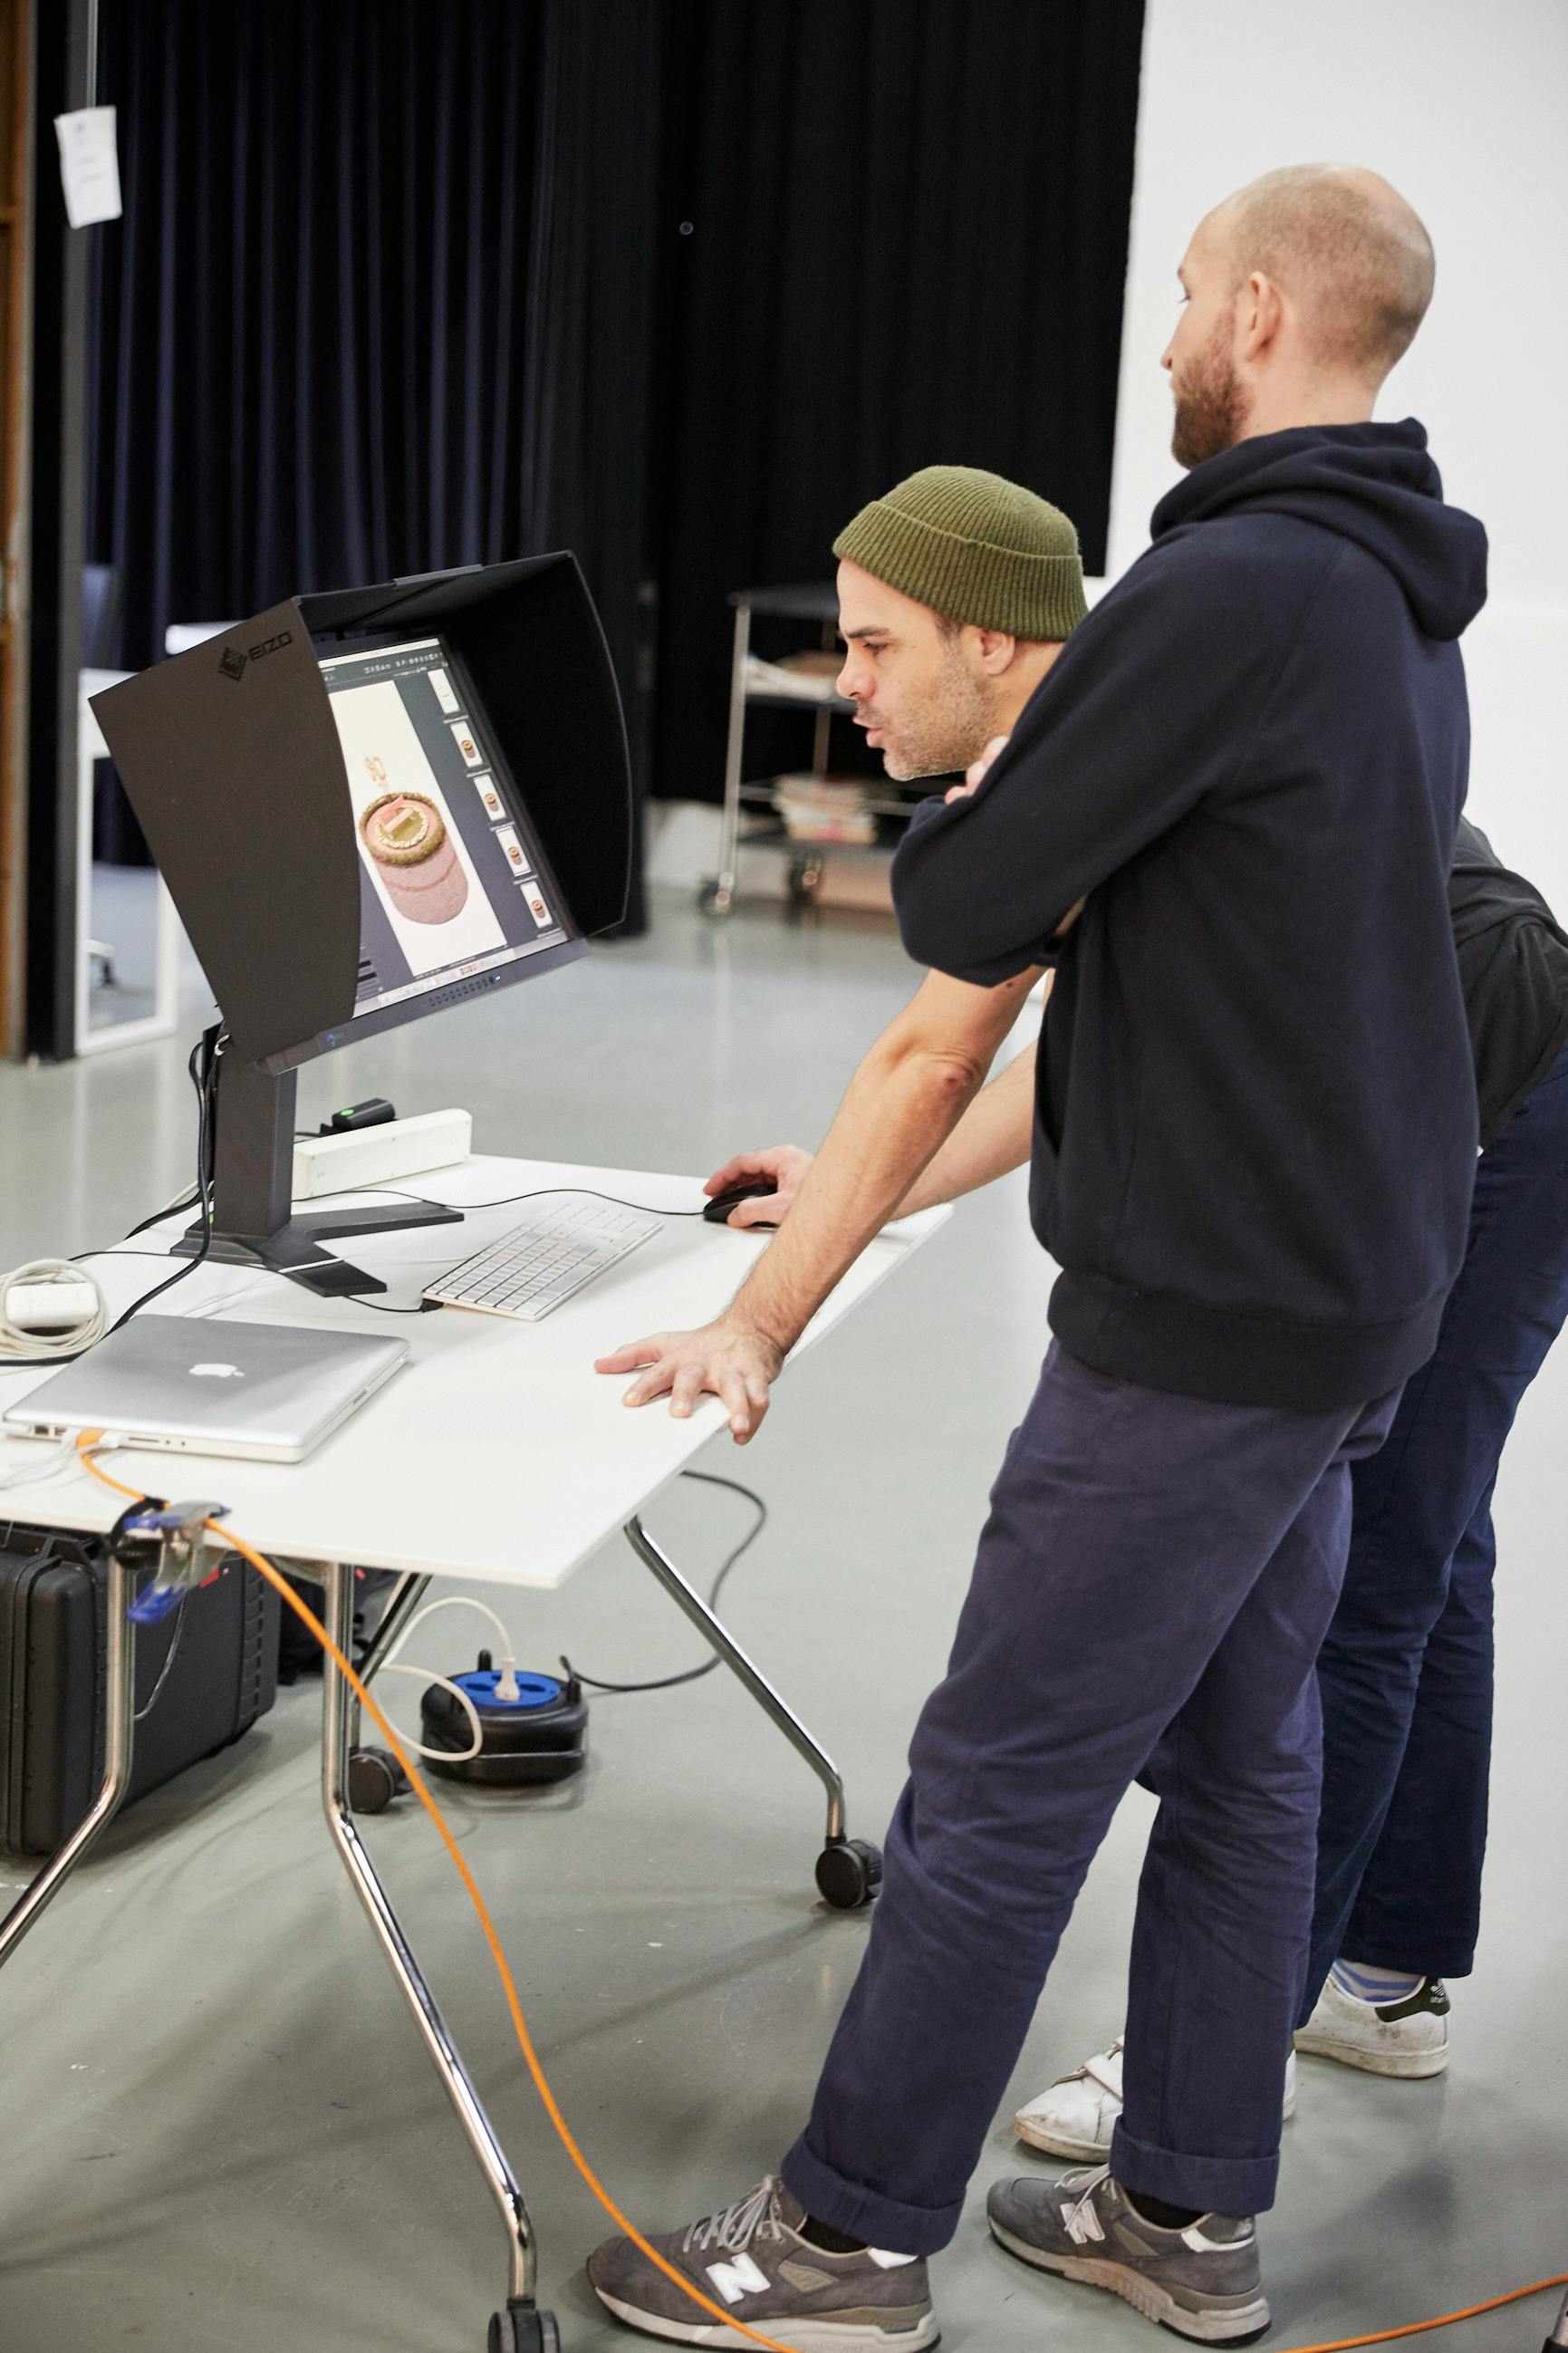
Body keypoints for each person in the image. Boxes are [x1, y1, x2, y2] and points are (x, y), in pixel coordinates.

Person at [588, 163, 1488, 2348]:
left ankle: (843, 2241)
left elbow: (952, 941)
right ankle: (1183, 2216)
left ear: (1259, 310)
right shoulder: (1390, 592)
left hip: (1207, 1330)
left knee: (996, 1780)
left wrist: (761, 1314)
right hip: (1356, 1288)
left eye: (1184, 294)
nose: (1168, 330)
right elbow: (1159, 996)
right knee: (1247, 1750)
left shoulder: (1229, 588)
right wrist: (825, 1216)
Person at [1015, 818, 1568, 2160]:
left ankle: (1225, 2045)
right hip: (1487, 1065)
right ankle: (1384, 1966)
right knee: (1441, 1538)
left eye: (874, 646)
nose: (853, 686)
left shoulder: (1140, 758)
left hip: (1513, 1096)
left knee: (1371, 1572)